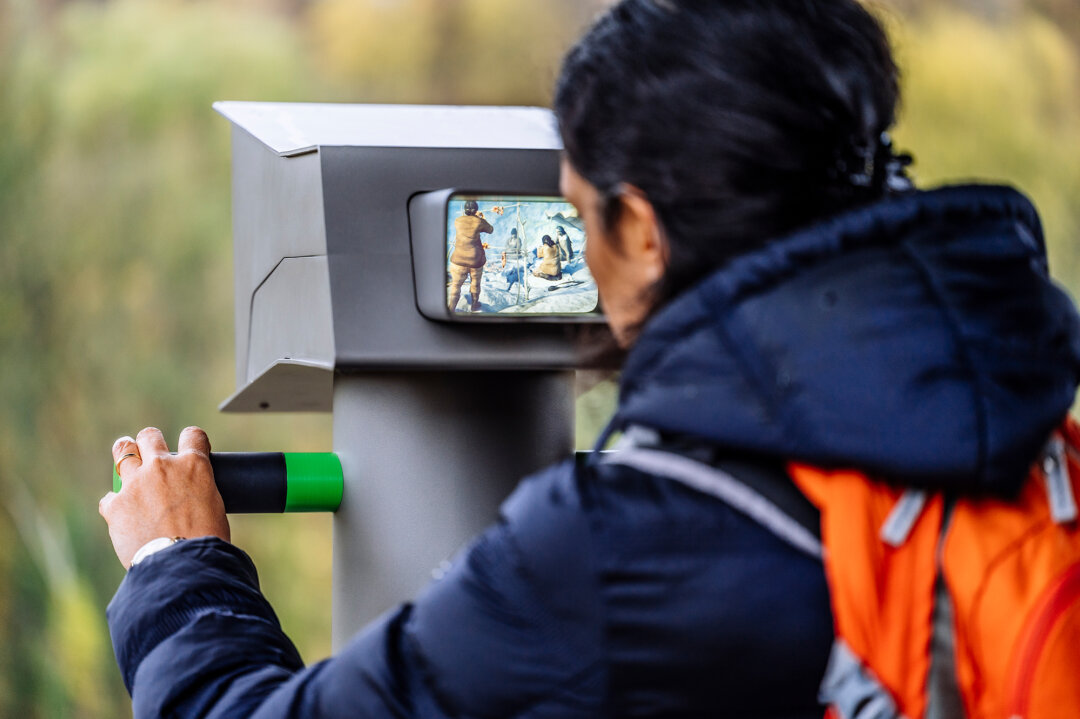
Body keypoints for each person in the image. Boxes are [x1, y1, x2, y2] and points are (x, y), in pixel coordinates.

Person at [99, 1, 1080, 717]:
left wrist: (176, 563)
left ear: (645, 231)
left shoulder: (630, 539)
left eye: (576, 214)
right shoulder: (1036, 432)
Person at [446, 199, 493, 312]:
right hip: (475, 260)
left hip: (458, 259)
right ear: (476, 210)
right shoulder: (479, 222)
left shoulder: (457, 220)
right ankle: (474, 305)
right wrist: (481, 218)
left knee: (456, 285)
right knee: (475, 283)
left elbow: (466, 226)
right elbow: (490, 230)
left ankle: (451, 309)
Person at [500, 226, 526, 292]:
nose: (513, 235)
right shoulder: (509, 239)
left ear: (516, 234)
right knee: (504, 253)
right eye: (512, 234)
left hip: (516, 255)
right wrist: (510, 250)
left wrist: (512, 250)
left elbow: (518, 248)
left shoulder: (518, 239)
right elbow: (506, 247)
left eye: (514, 234)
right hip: (509, 254)